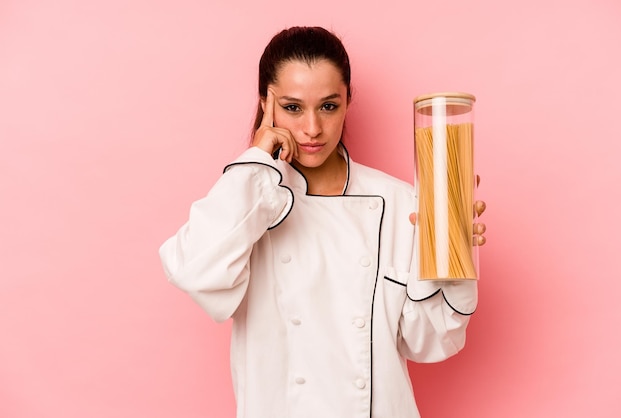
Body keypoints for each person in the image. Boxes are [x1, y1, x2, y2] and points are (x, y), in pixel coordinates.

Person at [159, 26, 487, 418]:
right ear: (267, 105)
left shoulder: (400, 202)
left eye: (328, 106)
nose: (312, 128)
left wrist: (455, 252)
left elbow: (429, 341)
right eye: (293, 107)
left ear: (348, 101)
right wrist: (257, 162)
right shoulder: (248, 202)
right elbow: (195, 272)